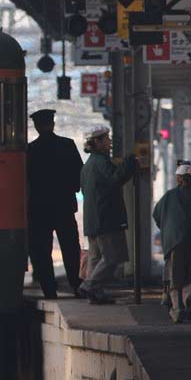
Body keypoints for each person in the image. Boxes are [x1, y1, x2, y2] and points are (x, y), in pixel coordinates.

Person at [25, 108, 84, 298]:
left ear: (36, 126)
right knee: (70, 248)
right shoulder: (67, 145)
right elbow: (79, 174)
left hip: (38, 209)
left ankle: (49, 290)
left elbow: (25, 180)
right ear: (53, 124)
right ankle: (76, 285)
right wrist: (71, 188)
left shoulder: (30, 150)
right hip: (64, 206)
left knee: (42, 251)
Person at [78, 126, 138, 304]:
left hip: (92, 219)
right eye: (106, 139)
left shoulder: (88, 165)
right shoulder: (101, 162)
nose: (110, 142)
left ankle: (96, 294)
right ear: (97, 142)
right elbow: (115, 179)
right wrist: (128, 164)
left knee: (95, 258)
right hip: (106, 218)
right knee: (113, 257)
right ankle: (89, 285)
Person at [152, 164, 191, 323]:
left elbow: (157, 215)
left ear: (178, 179)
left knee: (175, 274)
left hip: (175, 242)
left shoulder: (169, 196)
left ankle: (177, 308)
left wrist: (168, 229)